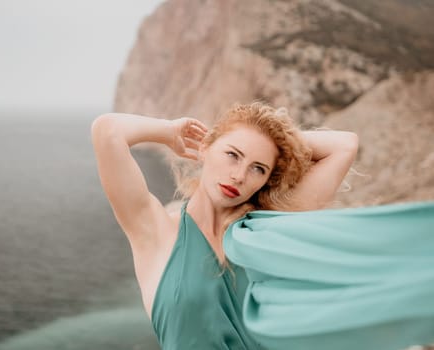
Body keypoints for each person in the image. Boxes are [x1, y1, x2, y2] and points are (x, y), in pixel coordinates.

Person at [91, 102, 434, 350]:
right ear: (205, 148)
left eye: (258, 168)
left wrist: (274, 141)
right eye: (232, 155)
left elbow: (345, 145)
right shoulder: (155, 231)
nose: (240, 175)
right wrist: (169, 132)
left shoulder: (262, 231)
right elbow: (107, 131)